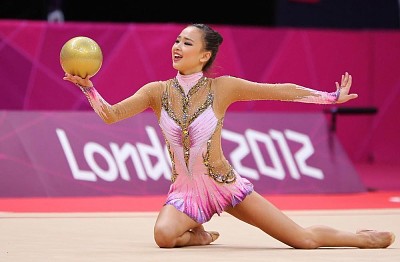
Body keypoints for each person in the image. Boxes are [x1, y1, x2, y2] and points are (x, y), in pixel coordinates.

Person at [63, 23, 395, 249]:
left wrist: (329, 97)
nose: (177, 46)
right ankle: (197, 236)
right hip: (186, 195)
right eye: (177, 40)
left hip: (225, 186)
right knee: (164, 236)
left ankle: (361, 238)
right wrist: (89, 88)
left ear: (204, 56)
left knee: (302, 241)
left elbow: (280, 91)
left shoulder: (223, 88)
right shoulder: (156, 91)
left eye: (187, 43)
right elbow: (111, 115)